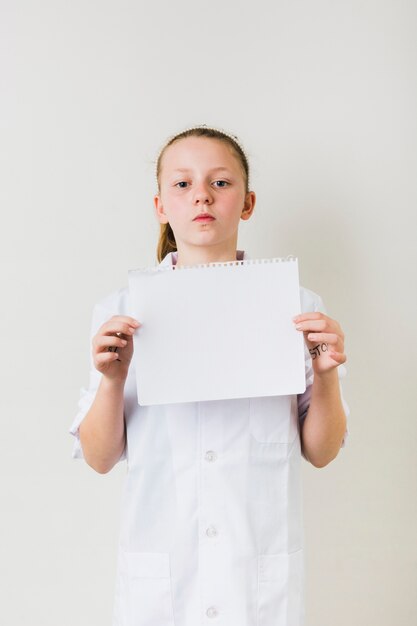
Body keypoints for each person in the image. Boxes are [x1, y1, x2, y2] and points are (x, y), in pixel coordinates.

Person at [70, 125, 349, 626]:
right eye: (182, 184)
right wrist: (112, 380)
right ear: (161, 206)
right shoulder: (122, 313)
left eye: (220, 182)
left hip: (257, 583)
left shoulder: (298, 310)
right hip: (162, 582)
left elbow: (322, 451)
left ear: (248, 203)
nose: (201, 194)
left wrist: (326, 375)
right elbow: (98, 457)